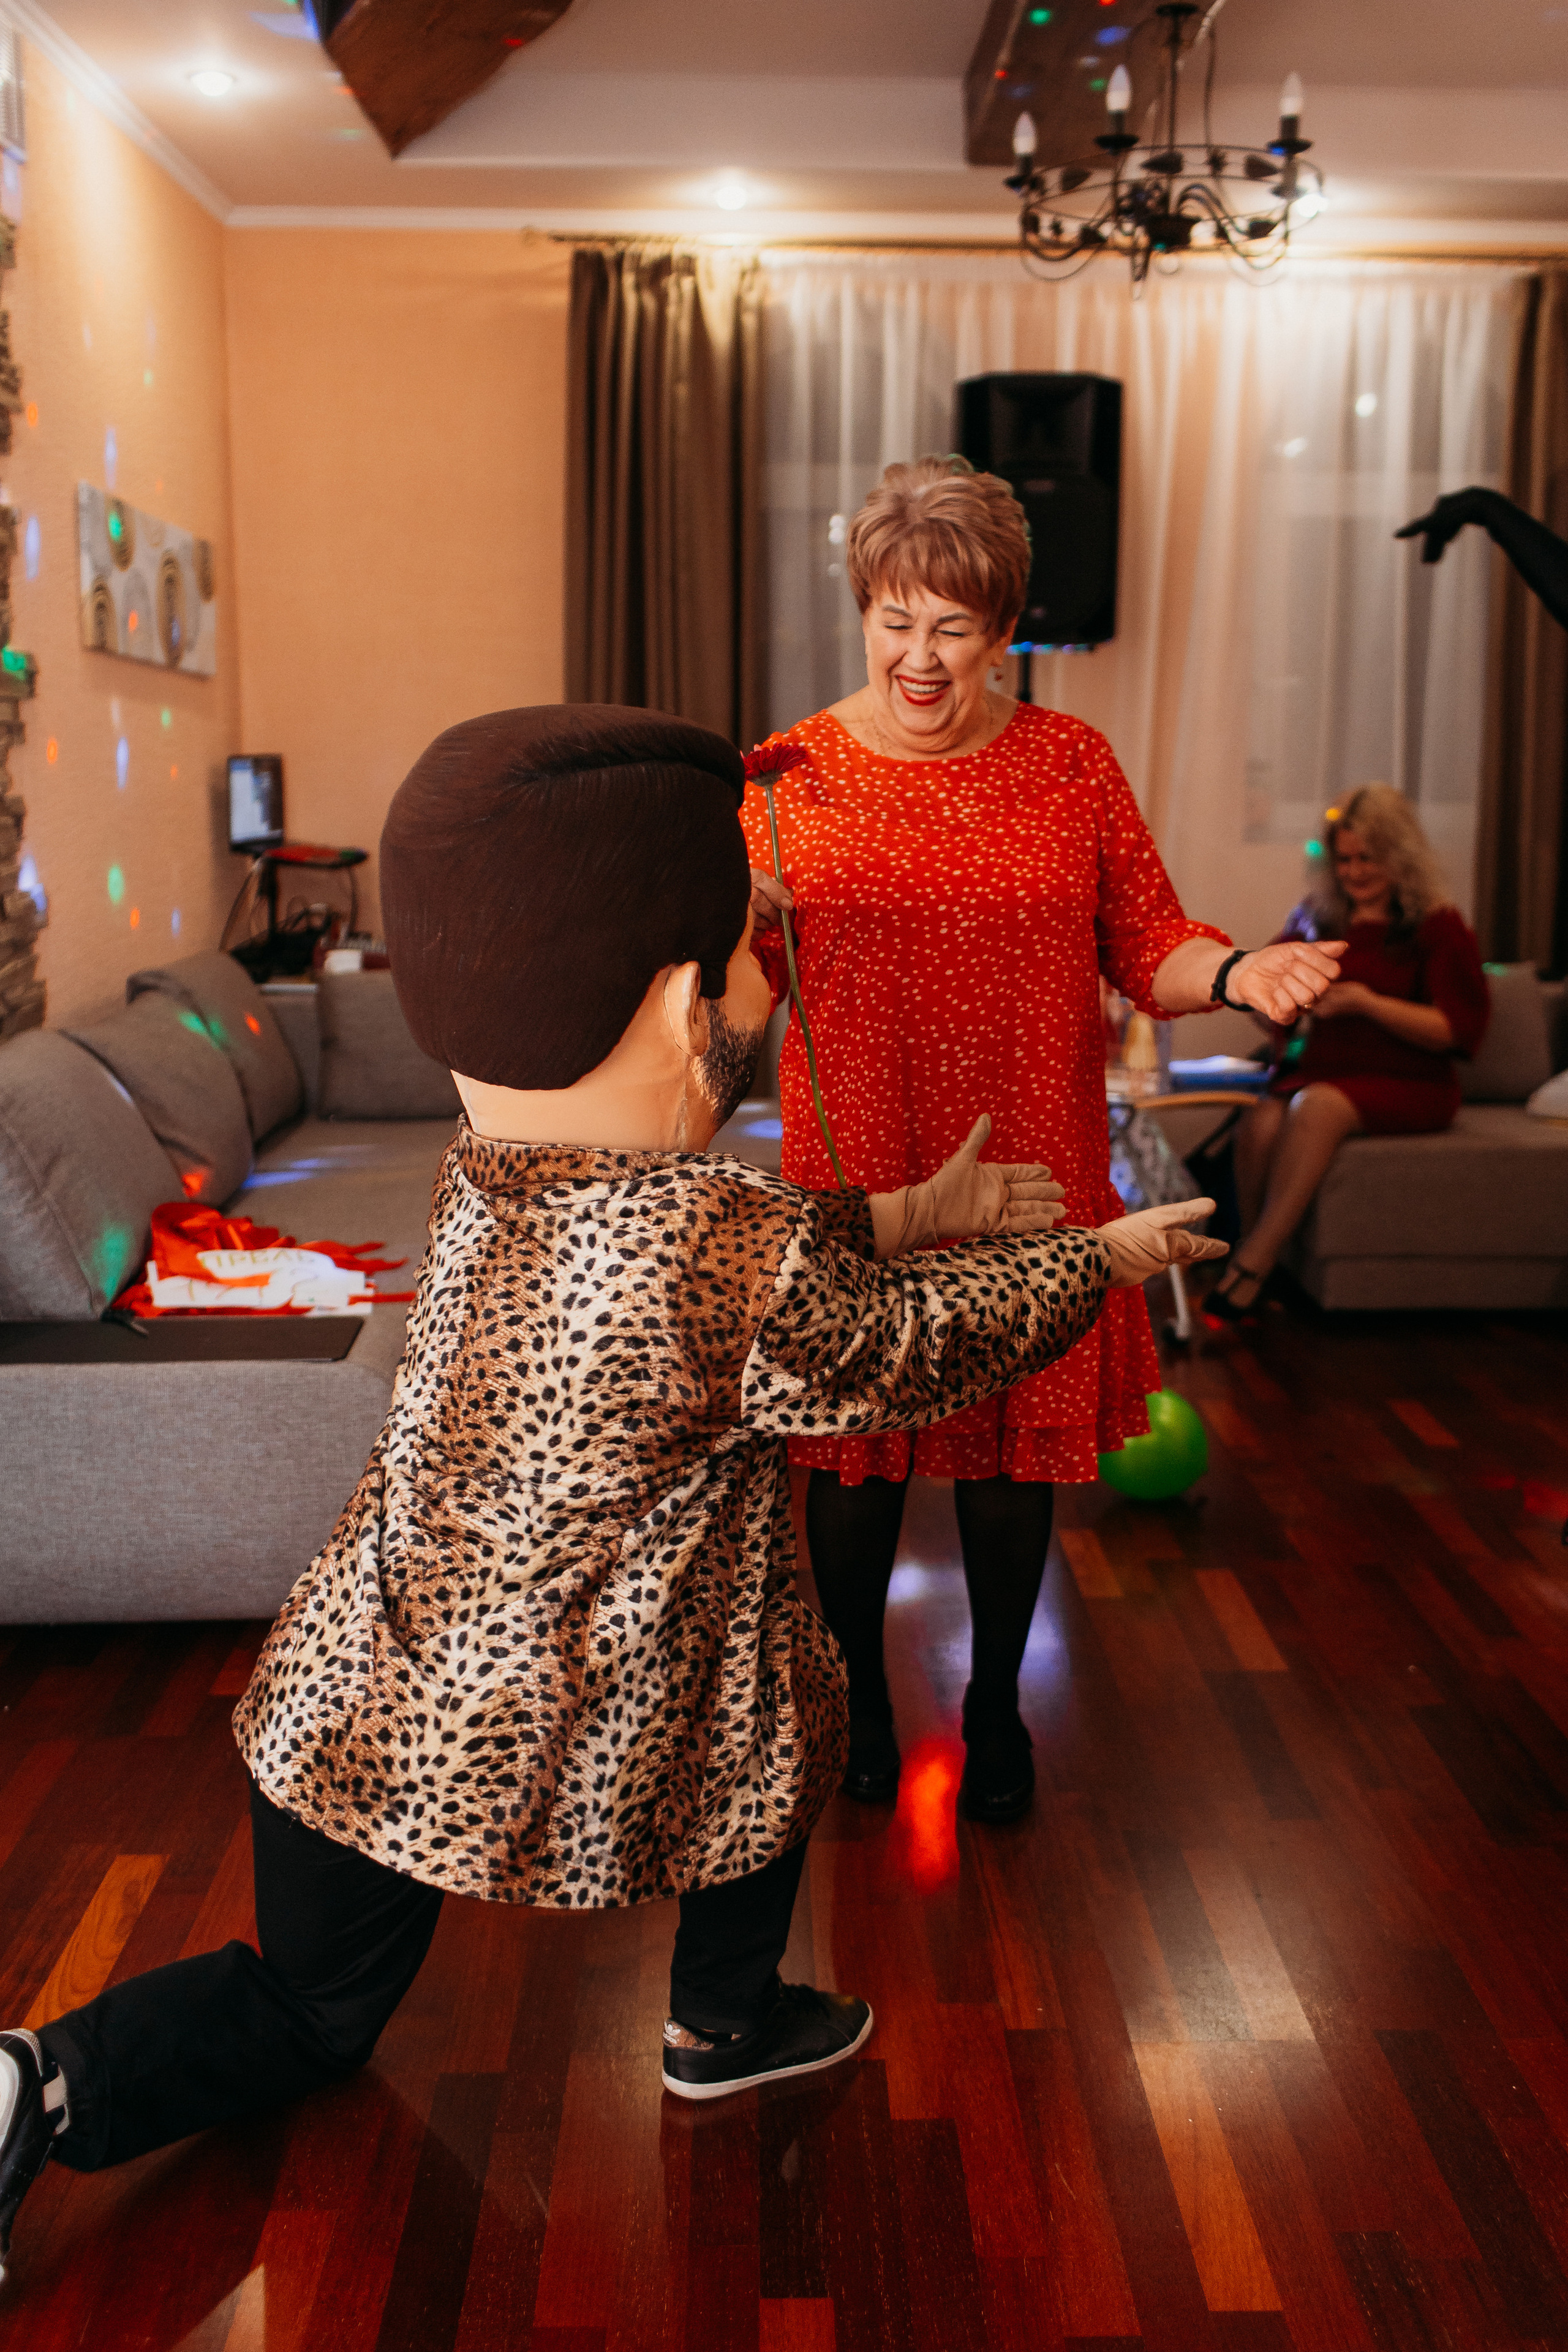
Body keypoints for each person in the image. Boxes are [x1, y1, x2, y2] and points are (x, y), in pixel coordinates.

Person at [0, 703, 1225, 2282]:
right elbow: (898, 1354)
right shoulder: (715, 1237)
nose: (769, 992)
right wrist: (1096, 1256)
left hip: (354, 1699)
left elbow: (757, 1281)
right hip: (551, 1728)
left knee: (307, 2006)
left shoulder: (481, 1172)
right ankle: (723, 2014)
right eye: (751, 964)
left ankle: (40, 2081)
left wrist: (906, 1203)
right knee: (784, 1710)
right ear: (675, 1004)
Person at [742, 454, 1343, 1822]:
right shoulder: (782, 776)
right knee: (851, 1467)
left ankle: (995, 1702)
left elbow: (1151, 942)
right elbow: (727, 1003)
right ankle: (853, 1704)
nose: (918, 653)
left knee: (1013, 1461)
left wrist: (1240, 970)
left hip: (1028, 1164)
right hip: (862, 1177)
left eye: (951, 624)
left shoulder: (1070, 762)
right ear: (862, 612)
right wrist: (728, 923)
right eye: (893, 618)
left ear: (1001, 627)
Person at [1207, 782, 1489, 1321]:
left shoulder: (1438, 927)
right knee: (1260, 1121)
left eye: (1369, 858)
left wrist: (1366, 1003)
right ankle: (1265, 1258)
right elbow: (1262, 989)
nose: (1356, 872)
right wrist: (1267, 1000)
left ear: (1399, 856)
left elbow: (1455, 1031)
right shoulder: (1317, 921)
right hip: (1317, 1074)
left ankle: (1252, 1265)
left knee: (1318, 1105)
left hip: (1410, 1082)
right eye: (1345, 860)